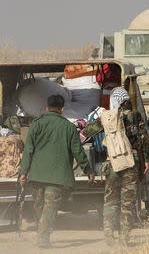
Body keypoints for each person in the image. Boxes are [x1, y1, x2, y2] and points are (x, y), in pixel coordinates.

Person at [18, 95, 95, 248]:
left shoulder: (36, 124)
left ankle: (42, 235)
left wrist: (23, 172)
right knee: (49, 207)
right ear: (62, 109)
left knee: (39, 206)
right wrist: (88, 171)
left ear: (46, 108)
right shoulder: (69, 127)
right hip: (58, 177)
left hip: (37, 176)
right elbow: (78, 151)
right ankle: (43, 235)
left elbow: (28, 150)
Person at [85, 87, 149, 246]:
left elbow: (87, 132)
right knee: (127, 203)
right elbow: (145, 141)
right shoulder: (134, 116)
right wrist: (146, 160)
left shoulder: (106, 116)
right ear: (126, 101)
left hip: (112, 163)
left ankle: (108, 234)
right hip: (131, 164)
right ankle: (125, 239)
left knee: (110, 201)